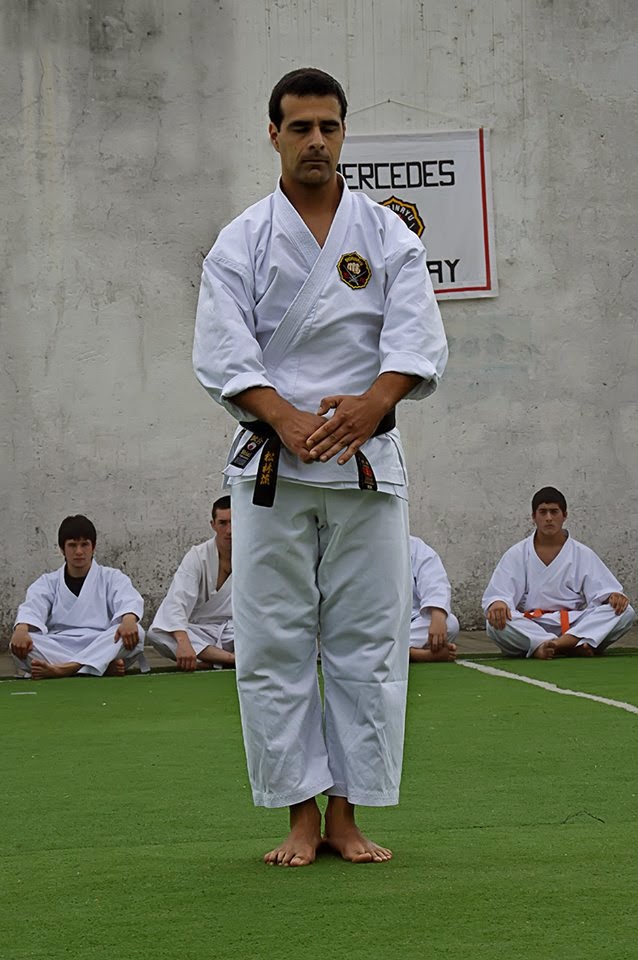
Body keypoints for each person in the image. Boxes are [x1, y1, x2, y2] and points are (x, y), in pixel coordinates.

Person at [193, 67, 447, 867]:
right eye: (299, 127)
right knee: (272, 642)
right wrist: (286, 417)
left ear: (344, 134)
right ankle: (299, 814)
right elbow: (221, 349)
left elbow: (418, 337)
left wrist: (376, 402)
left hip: (367, 463)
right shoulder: (242, 240)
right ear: (273, 134)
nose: (314, 141)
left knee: (367, 643)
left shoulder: (386, 235)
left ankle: (346, 814)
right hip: (273, 467)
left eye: (328, 128)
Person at [482, 487, 635, 659]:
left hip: (573, 624)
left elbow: (604, 591)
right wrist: (498, 603)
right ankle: (566, 645)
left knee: (625, 612)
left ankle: (555, 645)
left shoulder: (581, 553)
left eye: (554, 512)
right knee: (493, 623)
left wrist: (612, 596)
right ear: (533, 517)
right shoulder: (517, 553)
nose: (548, 518)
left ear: (564, 516)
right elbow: (499, 594)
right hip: (532, 624)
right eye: (543, 512)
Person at [10, 515, 145, 679]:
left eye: (84, 545)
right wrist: (22, 629)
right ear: (62, 549)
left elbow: (128, 600)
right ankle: (97, 666)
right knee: (18, 643)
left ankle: (64, 669)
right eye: (72, 545)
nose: (79, 551)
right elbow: (32, 608)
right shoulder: (48, 582)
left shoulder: (111, 577)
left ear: (93, 547)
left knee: (136, 632)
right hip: (59, 644)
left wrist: (129, 620)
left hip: (100, 641)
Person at [147, 497, 235, 670]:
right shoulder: (197, 556)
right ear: (213, 524)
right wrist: (183, 641)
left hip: (235, 631)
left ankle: (210, 661)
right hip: (199, 631)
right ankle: (233, 660)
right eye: (223, 523)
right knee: (158, 633)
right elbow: (177, 601)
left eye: (234, 522)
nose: (230, 530)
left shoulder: (252, 556)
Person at [409, 536, 459, 662]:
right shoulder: (358, 544)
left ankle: (399, 652)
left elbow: (434, 582)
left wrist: (438, 615)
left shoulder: (415, 547)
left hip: (410, 624)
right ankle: (414, 654)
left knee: (450, 623)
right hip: (370, 625)